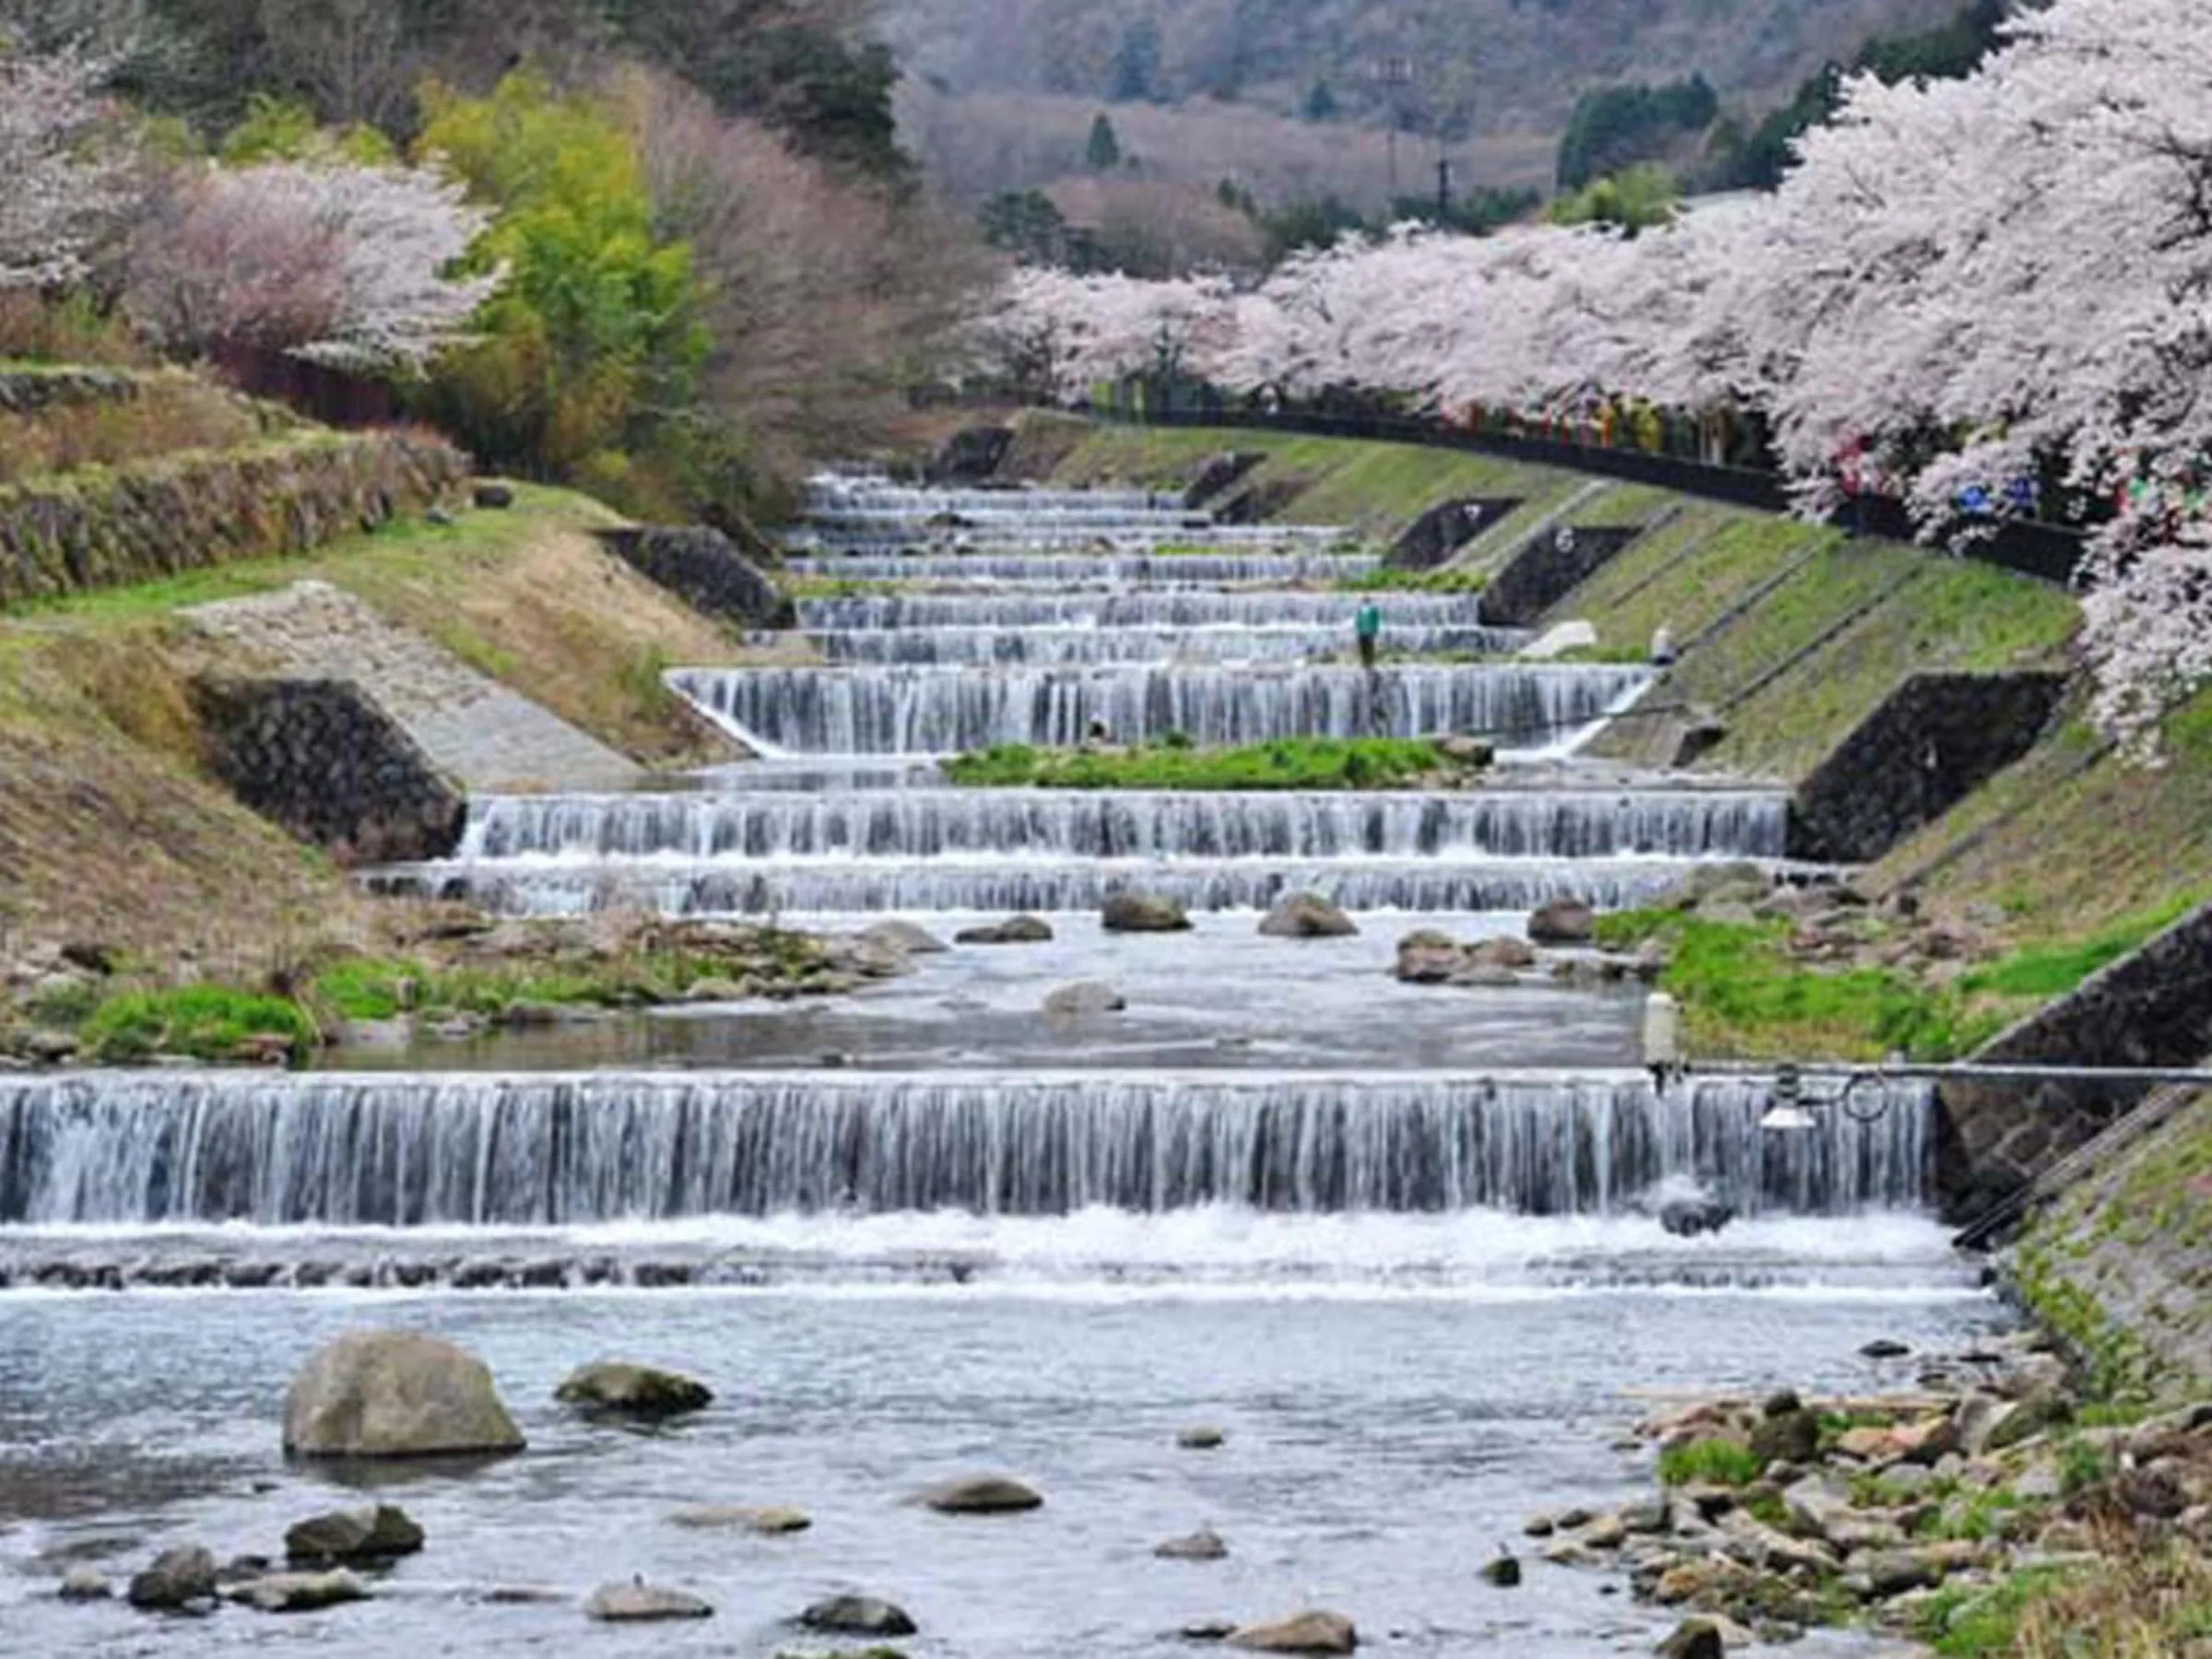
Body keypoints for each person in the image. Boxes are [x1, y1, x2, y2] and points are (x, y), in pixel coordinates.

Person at [1355, 599, 1382, 670]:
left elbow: (1376, 621)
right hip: (1362, 632)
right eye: (1364, 602)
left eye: (1366, 602)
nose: (1365, 604)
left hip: (1370, 632)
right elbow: (1358, 621)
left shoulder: (1373, 611)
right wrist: (1358, 629)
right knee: (1363, 647)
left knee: (1369, 647)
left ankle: (1370, 662)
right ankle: (1364, 661)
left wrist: (1375, 630)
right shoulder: (1360, 611)